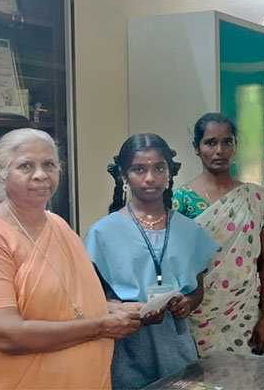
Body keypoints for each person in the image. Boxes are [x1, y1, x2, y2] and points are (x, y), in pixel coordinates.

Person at [0, 128, 140, 389]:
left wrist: (109, 308)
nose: (41, 174)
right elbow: (3, 334)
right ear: (0, 176)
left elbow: (65, 301)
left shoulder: (58, 225)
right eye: (26, 165)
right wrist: (99, 326)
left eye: (49, 164)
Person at [84, 133, 219, 389]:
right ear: (124, 175)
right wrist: (125, 310)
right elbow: (89, 300)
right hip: (127, 349)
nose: (150, 177)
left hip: (177, 348)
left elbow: (197, 290)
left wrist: (187, 304)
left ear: (169, 173)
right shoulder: (102, 233)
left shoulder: (188, 230)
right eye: (139, 169)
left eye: (159, 168)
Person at [172, 112, 264, 356]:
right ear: (196, 148)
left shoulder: (256, 198)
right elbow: (175, 264)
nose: (220, 150)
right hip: (197, 312)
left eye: (227, 142)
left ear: (235, 146)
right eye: (210, 142)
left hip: (245, 312)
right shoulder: (180, 201)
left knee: (245, 375)